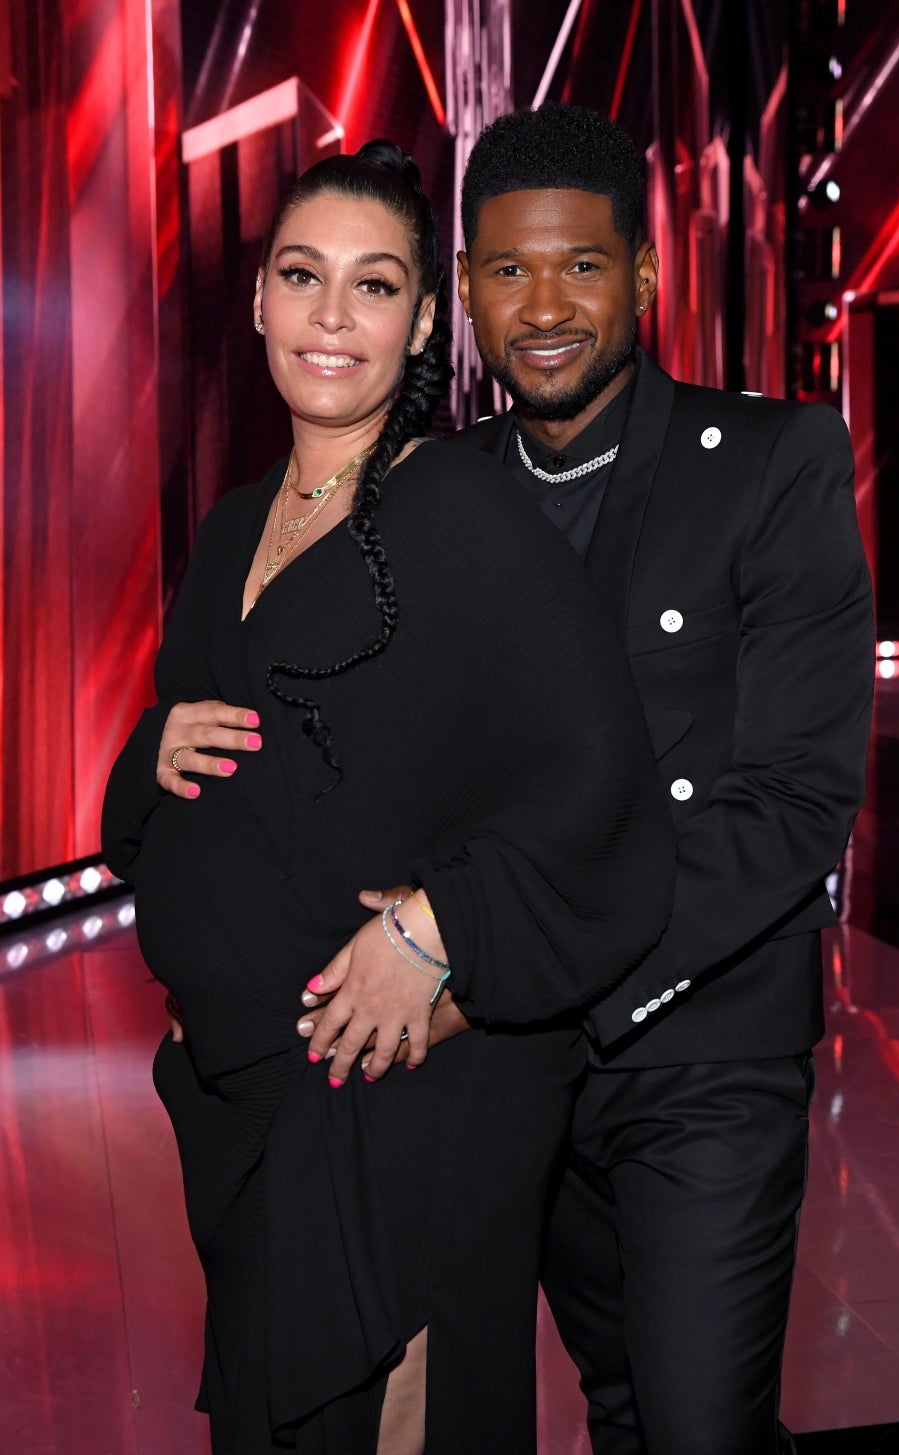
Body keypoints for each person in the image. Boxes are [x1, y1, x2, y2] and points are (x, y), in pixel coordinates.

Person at [100, 141, 674, 1455]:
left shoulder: (462, 510)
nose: (332, 318)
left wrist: (437, 929)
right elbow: (177, 803)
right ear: (259, 297)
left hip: (395, 1112)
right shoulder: (233, 529)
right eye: (304, 276)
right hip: (245, 1112)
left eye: (374, 286)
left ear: (421, 322)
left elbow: (601, 786)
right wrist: (150, 749)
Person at [427, 103, 873, 1455]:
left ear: (645, 273)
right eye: (509, 271)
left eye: (580, 265)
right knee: (616, 1401)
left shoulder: (773, 464)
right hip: (504, 1061)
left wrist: (520, 961)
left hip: (703, 1039)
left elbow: (794, 800)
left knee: (697, 1426)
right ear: (466, 290)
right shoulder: (434, 492)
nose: (543, 308)